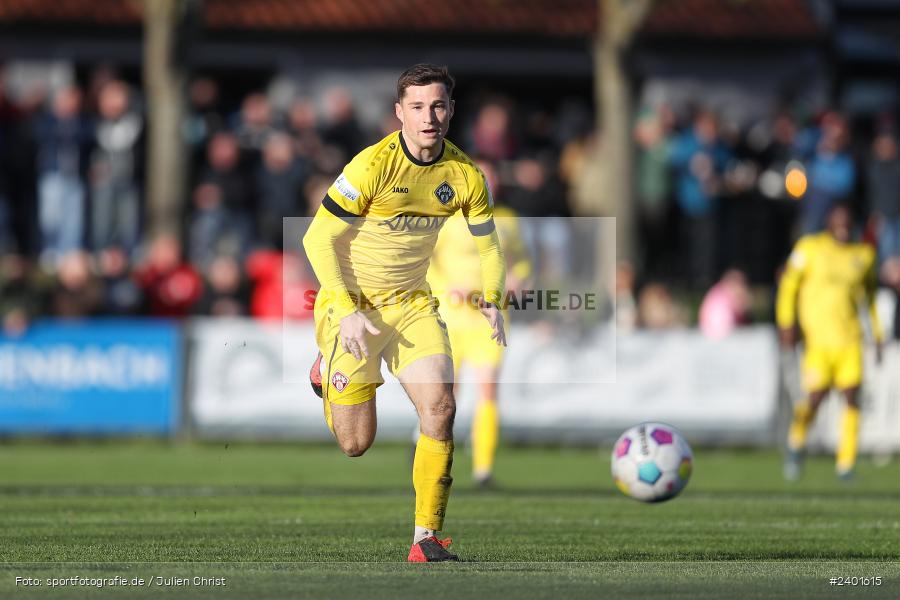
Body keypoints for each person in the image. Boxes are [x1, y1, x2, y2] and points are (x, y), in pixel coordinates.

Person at [302, 65, 506, 562]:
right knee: (356, 444)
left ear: (451, 111)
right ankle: (329, 372)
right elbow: (317, 238)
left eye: (437, 106)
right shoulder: (371, 166)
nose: (428, 116)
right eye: (417, 107)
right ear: (399, 113)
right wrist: (347, 309)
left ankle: (426, 539)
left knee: (441, 408)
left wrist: (495, 301)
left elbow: (490, 248)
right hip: (352, 306)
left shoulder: (463, 175)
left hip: (412, 304)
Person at [425, 158, 531, 489]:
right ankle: (434, 461)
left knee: (488, 390)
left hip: (489, 317)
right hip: (451, 317)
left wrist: (518, 278)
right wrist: (447, 290)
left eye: (490, 176)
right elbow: (426, 260)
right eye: (479, 176)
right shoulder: (446, 217)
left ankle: (483, 470)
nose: (486, 182)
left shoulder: (507, 220)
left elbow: (521, 260)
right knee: (444, 397)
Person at [777, 204, 883, 481]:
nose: (844, 227)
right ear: (828, 222)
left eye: (848, 222)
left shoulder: (863, 255)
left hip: (850, 341)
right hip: (818, 342)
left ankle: (845, 464)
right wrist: (786, 322)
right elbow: (788, 286)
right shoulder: (809, 248)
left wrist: (878, 333)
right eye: (839, 221)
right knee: (815, 399)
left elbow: (869, 298)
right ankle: (796, 441)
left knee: (852, 398)